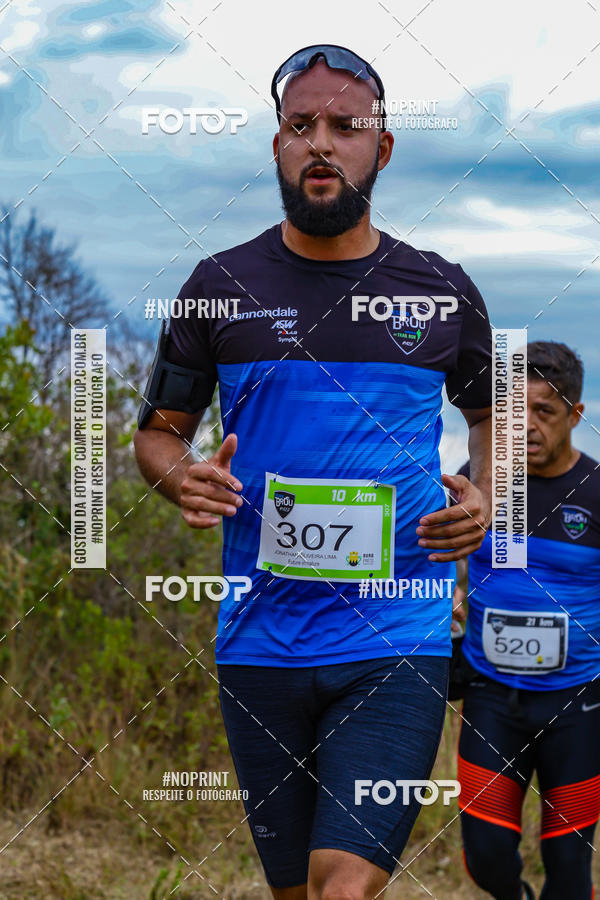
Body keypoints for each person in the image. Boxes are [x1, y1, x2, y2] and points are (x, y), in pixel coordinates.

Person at [134, 44, 492, 899]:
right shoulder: (218, 286)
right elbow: (158, 435)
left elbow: (491, 417)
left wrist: (486, 493)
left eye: (345, 126)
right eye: (301, 126)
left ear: (384, 148)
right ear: (277, 146)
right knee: (295, 890)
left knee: (343, 886)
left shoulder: (441, 292)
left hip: (397, 639)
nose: (321, 143)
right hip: (261, 639)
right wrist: (178, 474)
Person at [453, 341, 600, 900]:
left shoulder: (597, 491)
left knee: (568, 864)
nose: (528, 425)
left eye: (546, 411)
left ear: (576, 415)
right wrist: (447, 600)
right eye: (516, 410)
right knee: (486, 856)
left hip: (579, 704)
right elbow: (441, 560)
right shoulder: (483, 481)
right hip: (493, 698)